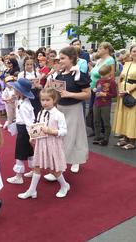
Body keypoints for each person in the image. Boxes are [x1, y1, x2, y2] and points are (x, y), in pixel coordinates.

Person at [44, 46, 90, 178]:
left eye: (63, 58)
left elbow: (87, 94)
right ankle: (62, 165)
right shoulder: (59, 74)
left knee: (73, 137)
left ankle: (63, 167)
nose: (60, 60)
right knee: (60, 137)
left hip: (74, 109)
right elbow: (54, 91)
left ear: (72, 59)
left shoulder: (79, 74)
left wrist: (69, 94)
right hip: (60, 109)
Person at [18, 88, 69, 199]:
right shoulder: (41, 112)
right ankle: (32, 190)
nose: (44, 102)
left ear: (54, 100)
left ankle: (64, 185)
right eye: (42, 100)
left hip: (52, 145)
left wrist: (52, 131)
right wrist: (33, 137)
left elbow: (64, 131)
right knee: (36, 167)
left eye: (47, 100)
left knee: (53, 169)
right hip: (41, 144)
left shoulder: (59, 115)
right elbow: (38, 126)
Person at [6, 78, 35, 184]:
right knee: (29, 152)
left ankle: (18, 177)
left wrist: (31, 136)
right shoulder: (23, 101)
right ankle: (33, 170)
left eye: (15, 89)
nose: (13, 89)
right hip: (24, 130)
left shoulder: (24, 106)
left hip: (24, 131)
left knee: (20, 153)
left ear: (20, 92)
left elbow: (28, 122)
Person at [113, 44, 136, 150]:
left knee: (132, 116)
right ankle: (125, 137)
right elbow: (121, 78)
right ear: (130, 53)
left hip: (133, 93)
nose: (135, 53)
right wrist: (120, 89)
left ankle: (132, 140)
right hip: (123, 92)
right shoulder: (127, 64)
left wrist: (128, 90)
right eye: (134, 51)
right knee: (123, 115)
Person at [88, 42, 115, 135]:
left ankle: (103, 131)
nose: (98, 50)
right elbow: (94, 71)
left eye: (100, 48)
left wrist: (105, 90)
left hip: (101, 90)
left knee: (101, 110)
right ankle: (96, 130)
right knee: (93, 109)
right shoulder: (99, 60)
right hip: (93, 88)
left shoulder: (110, 60)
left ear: (106, 49)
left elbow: (111, 76)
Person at [92, 65, 117, 146]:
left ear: (109, 73)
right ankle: (97, 136)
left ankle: (106, 138)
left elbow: (114, 94)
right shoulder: (99, 81)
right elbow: (97, 89)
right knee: (96, 121)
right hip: (97, 103)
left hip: (105, 104)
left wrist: (105, 94)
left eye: (104, 75)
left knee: (106, 122)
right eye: (101, 75)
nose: (102, 77)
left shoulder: (112, 82)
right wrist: (94, 90)